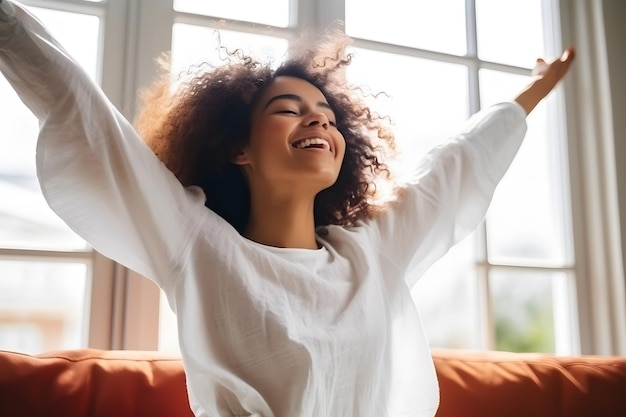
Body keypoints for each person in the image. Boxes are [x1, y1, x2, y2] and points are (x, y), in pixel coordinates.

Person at [0, 1, 575, 416]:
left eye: (325, 112)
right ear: (239, 147)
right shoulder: (198, 244)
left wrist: (532, 90)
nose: (318, 118)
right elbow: (85, 114)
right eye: (288, 109)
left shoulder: (371, 252)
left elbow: (457, 164)